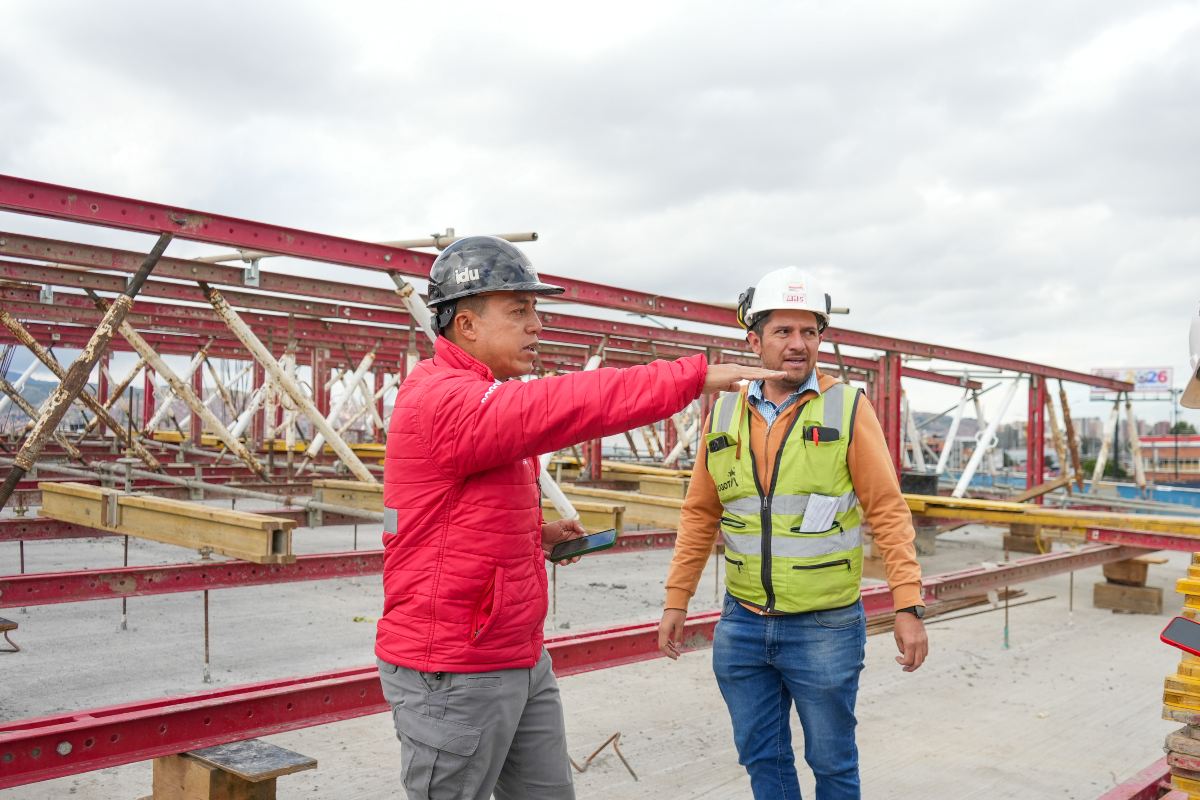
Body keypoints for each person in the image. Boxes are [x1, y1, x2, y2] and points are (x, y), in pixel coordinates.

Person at [375, 235, 782, 800]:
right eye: (520, 311)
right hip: (456, 666)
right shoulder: (444, 399)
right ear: (466, 325)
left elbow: (452, 517)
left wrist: (531, 536)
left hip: (514, 650)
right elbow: (567, 402)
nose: (536, 325)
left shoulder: (477, 394)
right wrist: (691, 377)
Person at [657, 266, 929, 800]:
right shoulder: (725, 411)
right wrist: (676, 600)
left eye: (810, 332)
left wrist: (908, 604)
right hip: (743, 624)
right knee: (763, 759)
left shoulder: (846, 407)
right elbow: (699, 515)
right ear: (753, 341)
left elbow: (887, 510)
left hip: (824, 627)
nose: (798, 344)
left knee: (832, 764)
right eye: (783, 332)